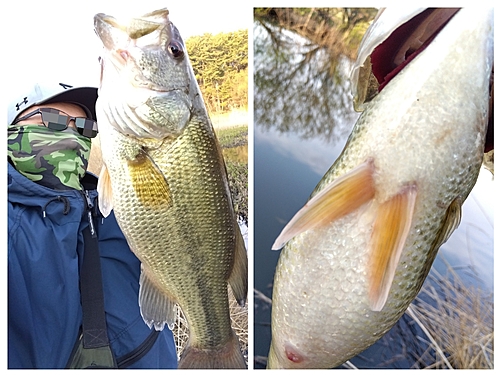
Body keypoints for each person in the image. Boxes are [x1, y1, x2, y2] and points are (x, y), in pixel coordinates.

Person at [7, 81, 178, 369]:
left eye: (84, 127)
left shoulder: (118, 207)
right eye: (55, 120)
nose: (73, 133)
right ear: (13, 129)